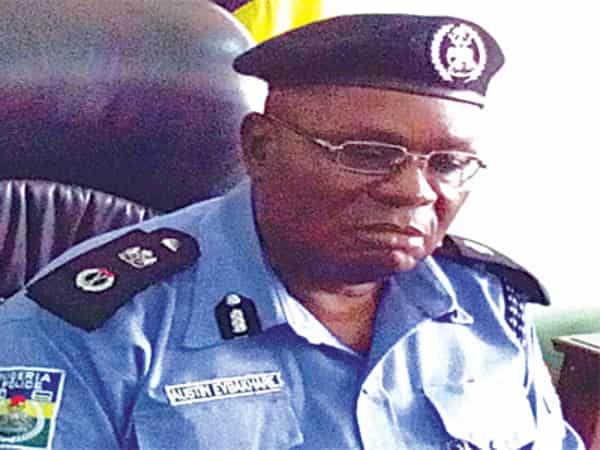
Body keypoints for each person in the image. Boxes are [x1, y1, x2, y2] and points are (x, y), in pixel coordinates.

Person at [0, 13, 584, 450]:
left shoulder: (484, 302)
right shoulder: (87, 326)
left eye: (450, 163)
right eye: (368, 153)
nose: (415, 191)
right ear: (259, 147)